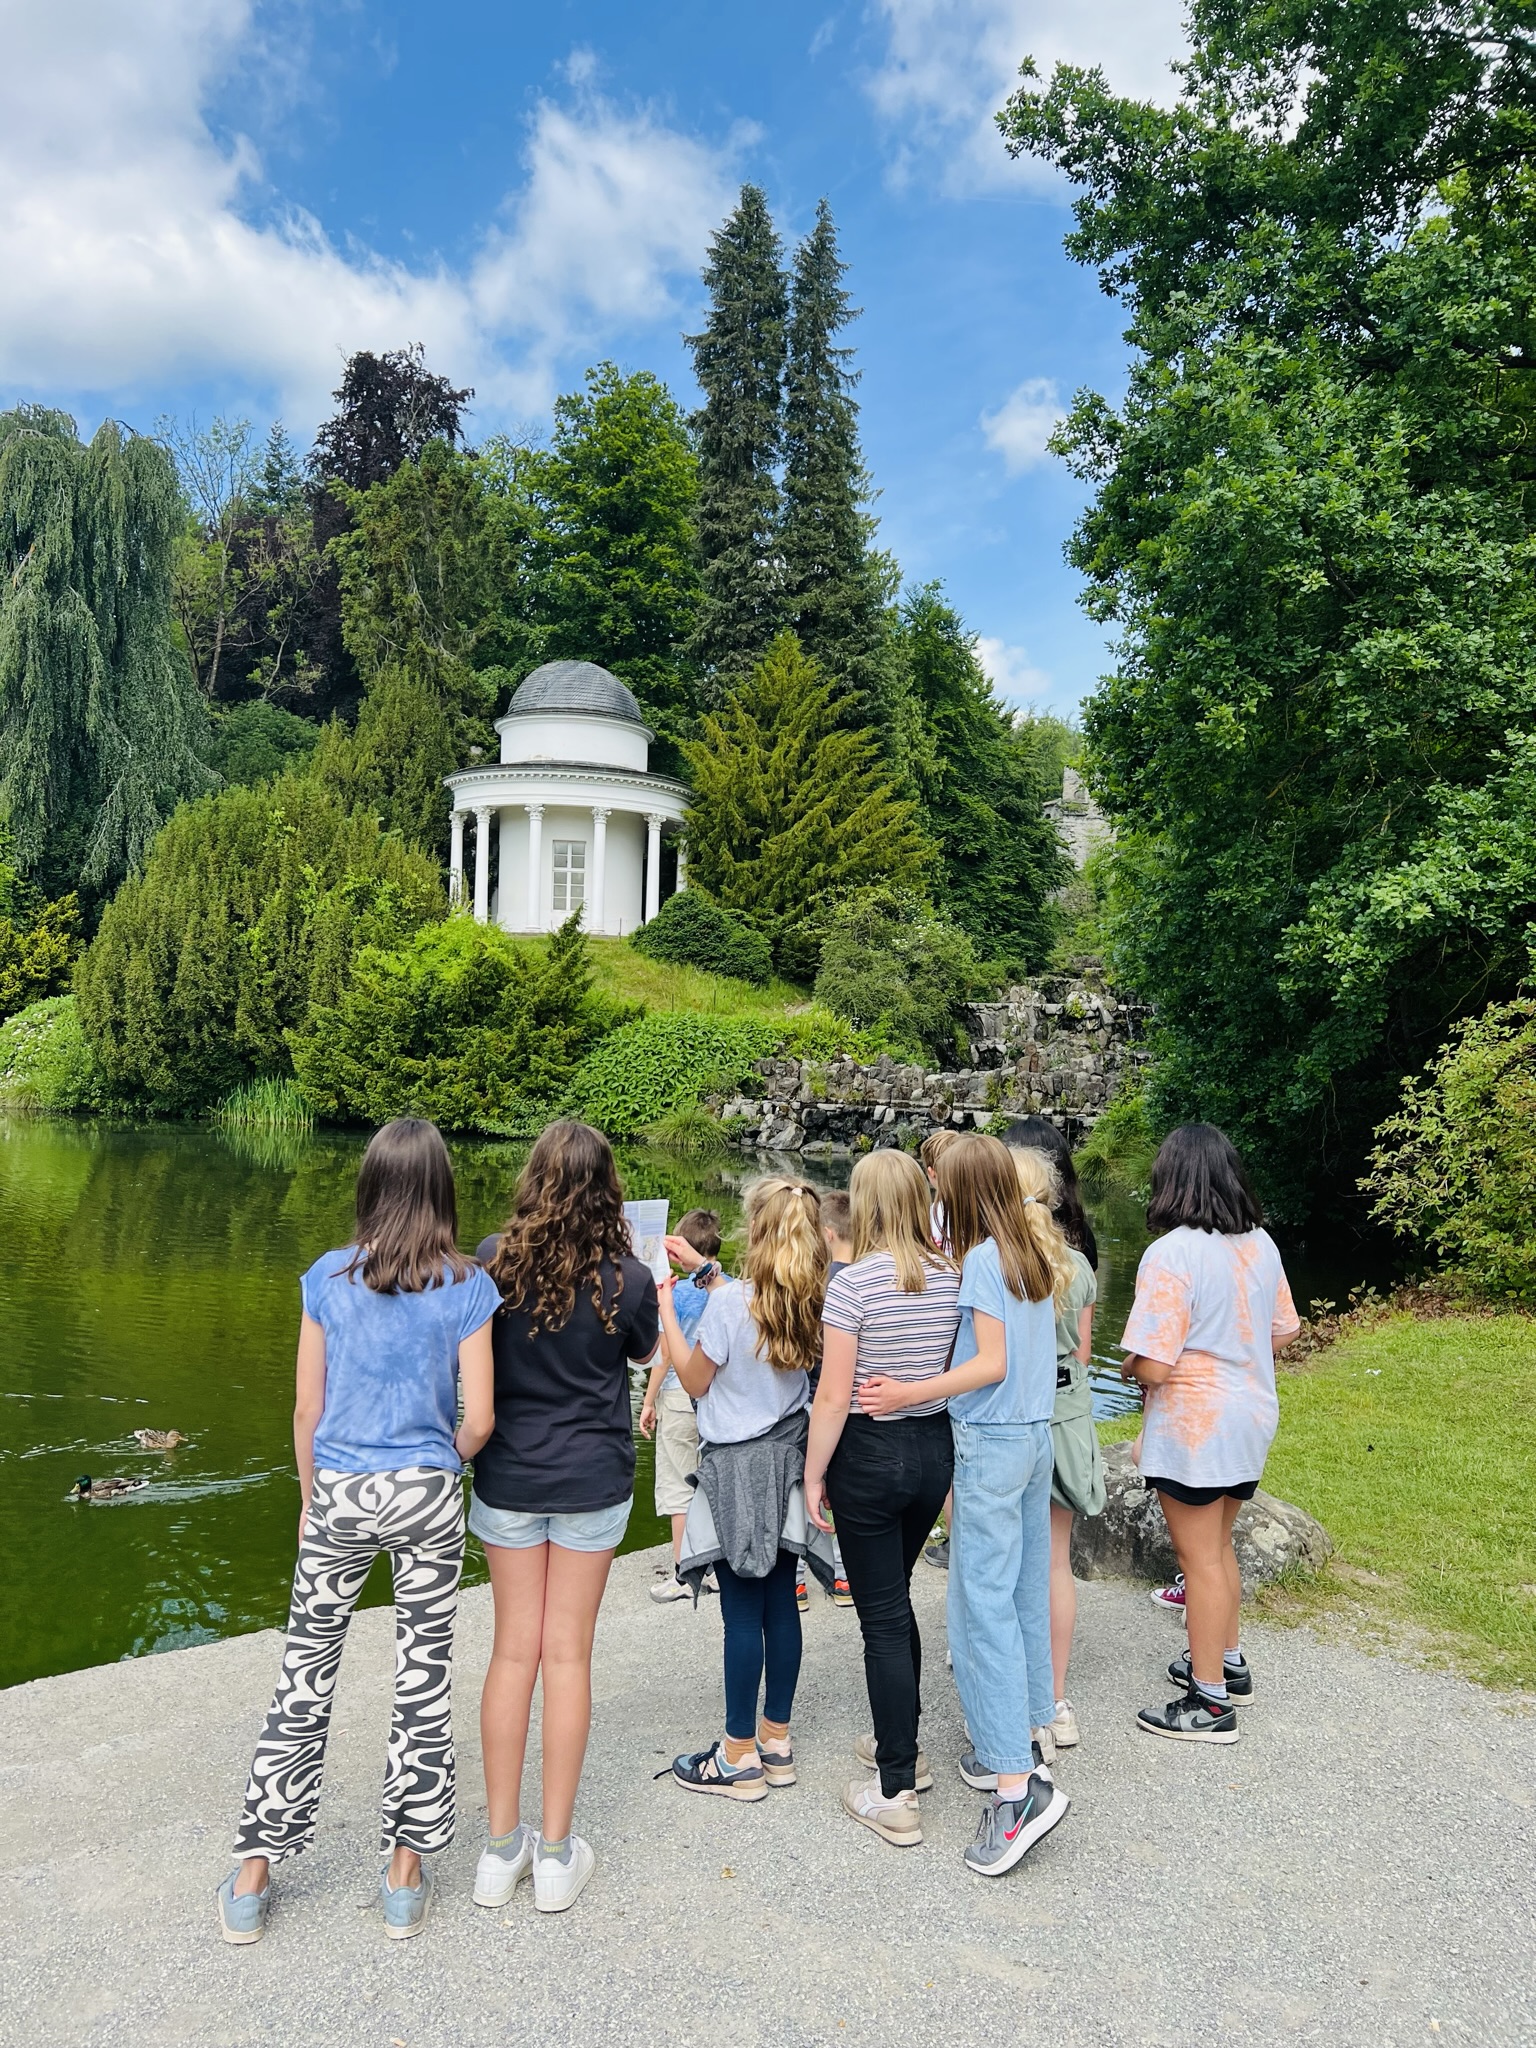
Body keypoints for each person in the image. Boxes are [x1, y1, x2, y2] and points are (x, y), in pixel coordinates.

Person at [218, 1120, 499, 1945]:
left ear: (370, 1186)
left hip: (338, 1486)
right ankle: (404, 1880)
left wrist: (311, 1494)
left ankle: (251, 1881)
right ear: (442, 1189)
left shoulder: (325, 1278)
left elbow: (306, 1407)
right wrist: (438, 1462)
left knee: (302, 1678)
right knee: (422, 1680)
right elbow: (479, 1418)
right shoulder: (469, 1285)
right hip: (425, 1494)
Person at [858, 1134, 1072, 1878]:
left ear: (964, 1190)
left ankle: (1017, 1791)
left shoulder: (984, 1260)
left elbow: (991, 1362)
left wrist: (908, 1392)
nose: (935, 1196)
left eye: (942, 1186)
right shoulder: (1032, 1250)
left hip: (991, 1444)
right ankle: (1020, 1738)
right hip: (1034, 1438)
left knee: (980, 1610)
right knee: (1020, 1596)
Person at [471, 1121, 660, 1912]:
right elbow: (646, 1357)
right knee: (568, 1657)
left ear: (535, 1179)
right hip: (591, 1480)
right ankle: (554, 1856)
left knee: (512, 1654)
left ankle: (497, 1851)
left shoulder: (491, 1262)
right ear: (607, 1186)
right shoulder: (631, 1277)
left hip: (509, 1476)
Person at [1119, 1123, 1299, 1744]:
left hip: (1195, 1426)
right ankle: (1228, 1660)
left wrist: (1129, 1364)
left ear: (1172, 1180)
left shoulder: (1171, 1254)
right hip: (1250, 1414)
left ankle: (1209, 1702)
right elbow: (1282, 1331)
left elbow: (1155, 1364)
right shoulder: (1262, 1245)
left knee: (1198, 1561)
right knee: (1218, 1548)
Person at [804, 1150, 960, 1848]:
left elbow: (833, 1394)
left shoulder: (853, 1286)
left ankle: (895, 1788)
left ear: (865, 1204)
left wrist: (813, 1473)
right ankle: (906, 1748)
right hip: (930, 1450)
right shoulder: (953, 1276)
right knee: (894, 1603)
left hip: (868, 1454)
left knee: (882, 1621)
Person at [664, 1179, 825, 1802]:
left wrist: (664, 1309)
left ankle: (736, 1755)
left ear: (757, 1231)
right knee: (782, 1602)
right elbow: (743, 1295)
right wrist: (705, 1273)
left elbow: (696, 1380)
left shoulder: (731, 1308)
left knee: (741, 1614)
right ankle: (776, 1742)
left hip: (735, 1469)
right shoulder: (812, 1299)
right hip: (788, 1462)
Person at [1006, 1129, 1102, 1752]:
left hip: (1015, 1420)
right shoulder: (1080, 1265)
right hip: (1068, 1418)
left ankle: (1014, 1694)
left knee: (1005, 1564)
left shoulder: (998, 1265)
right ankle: (1056, 1701)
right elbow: (1085, 1353)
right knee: (1055, 1562)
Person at [639, 1209, 726, 1604]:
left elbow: (666, 1356)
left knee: (678, 1485)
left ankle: (683, 1573)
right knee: (710, 1482)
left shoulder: (671, 1293)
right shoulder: (727, 1288)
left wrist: (647, 1400)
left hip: (677, 1396)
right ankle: (719, 1568)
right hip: (713, 1396)